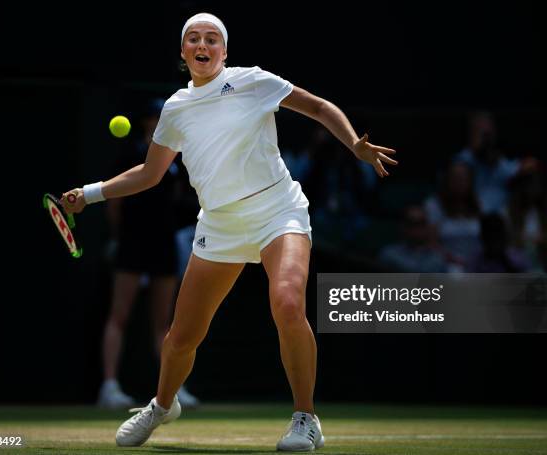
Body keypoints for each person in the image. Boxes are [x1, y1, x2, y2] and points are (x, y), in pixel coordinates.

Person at [62, 12, 397, 451]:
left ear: (224, 50)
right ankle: (162, 406)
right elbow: (149, 173)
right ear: (184, 53)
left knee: (288, 302)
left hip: (279, 210)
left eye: (212, 39)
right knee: (182, 336)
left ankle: (305, 419)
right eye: (194, 39)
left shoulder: (253, 81)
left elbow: (316, 106)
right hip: (219, 224)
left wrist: (354, 143)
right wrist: (89, 194)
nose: (203, 45)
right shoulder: (176, 109)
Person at [98, 98, 200, 410]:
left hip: (163, 245)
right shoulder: (130, 154)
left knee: (164, 323)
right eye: (157, 117)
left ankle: (173, 389)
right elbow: (115, 201)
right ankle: (110, 386)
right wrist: (118, 237)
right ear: (147, 121)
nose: (161, 122)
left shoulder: (177, 159)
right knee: (119, 315)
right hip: (132, 243)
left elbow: (182, 198)